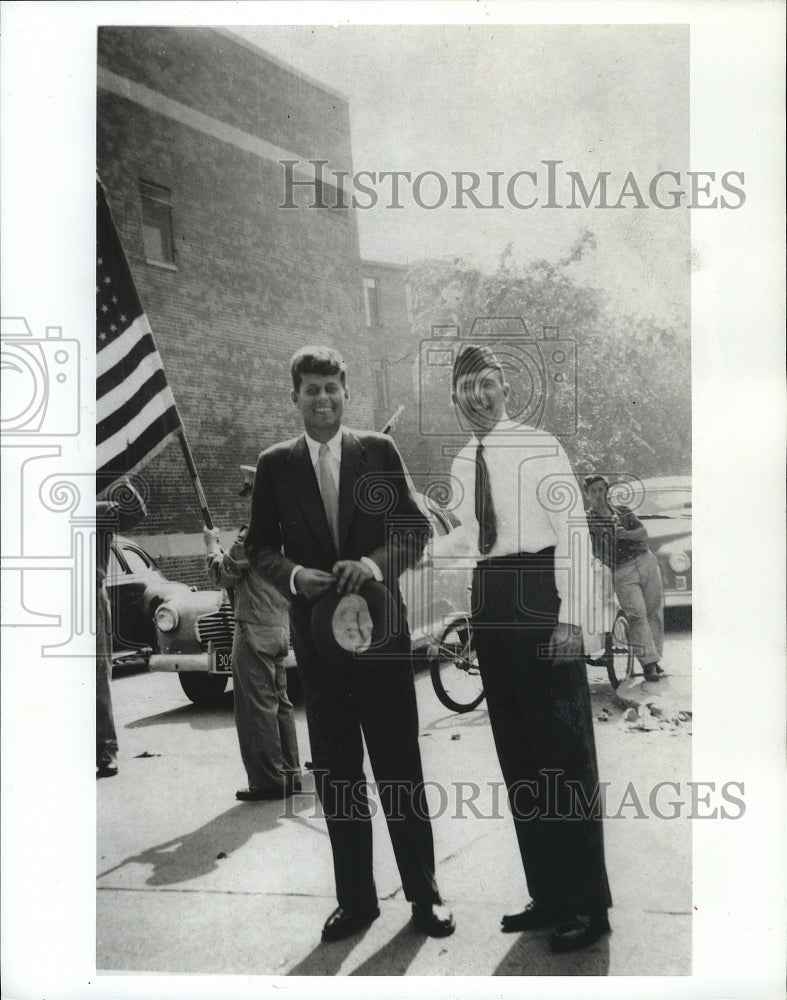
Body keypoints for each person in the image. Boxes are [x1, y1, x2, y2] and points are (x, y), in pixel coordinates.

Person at [244, 346, 455, 942]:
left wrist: (371, 564)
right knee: (338, 774)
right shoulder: (275, 465)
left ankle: (425, 896)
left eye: (331, 388)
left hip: (383, 640)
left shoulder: (378, 452)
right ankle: (356, 902)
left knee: (399, 768)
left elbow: (413, 530)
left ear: (346, 393)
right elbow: (258, 547)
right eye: (311, 389)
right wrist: (294, 576)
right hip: (319, 652)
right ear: (294, 397)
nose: (323, 399)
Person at [428, 343, 612, 953]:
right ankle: (548, 894)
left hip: (541, 595)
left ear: (505, 388)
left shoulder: (539, 446)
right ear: (455, 400)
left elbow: (574, 534)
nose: (478, 397)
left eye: (487, 383)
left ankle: (586, 903)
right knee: (520, 756)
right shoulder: (463, 462)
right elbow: (466, 539)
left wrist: (572, 620)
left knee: (564, 756)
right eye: (466, 389)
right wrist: (421, 543)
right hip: (491, 602)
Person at [203, 466, 301, 801]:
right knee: (280, 703)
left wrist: (211, 545)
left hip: (253, 626)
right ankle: (290, 773)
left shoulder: (254, 533)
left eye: (248, 492)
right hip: (279, 624)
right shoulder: (288, 528)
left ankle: (268, 781)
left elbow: (222, 575)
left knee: (255, 707)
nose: (244, 498)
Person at [584, 474, 665, 682]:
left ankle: (655, 659)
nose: (598, 494)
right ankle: (648, 664)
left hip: (645, 560)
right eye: (593, 491)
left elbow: (643, 532)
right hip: (621, 570)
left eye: (601, 489)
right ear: (587, 495)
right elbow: (593, 549)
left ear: (607, 490)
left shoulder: (621, 510)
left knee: (654, 611)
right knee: (636, 615)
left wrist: (625, 534)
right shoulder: (587, 520)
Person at [96, 479, 148, 778]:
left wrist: (120, 479)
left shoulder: (98, 511)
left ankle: (106, 751)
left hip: (88, 597)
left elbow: (136, 513)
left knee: (96, 678)